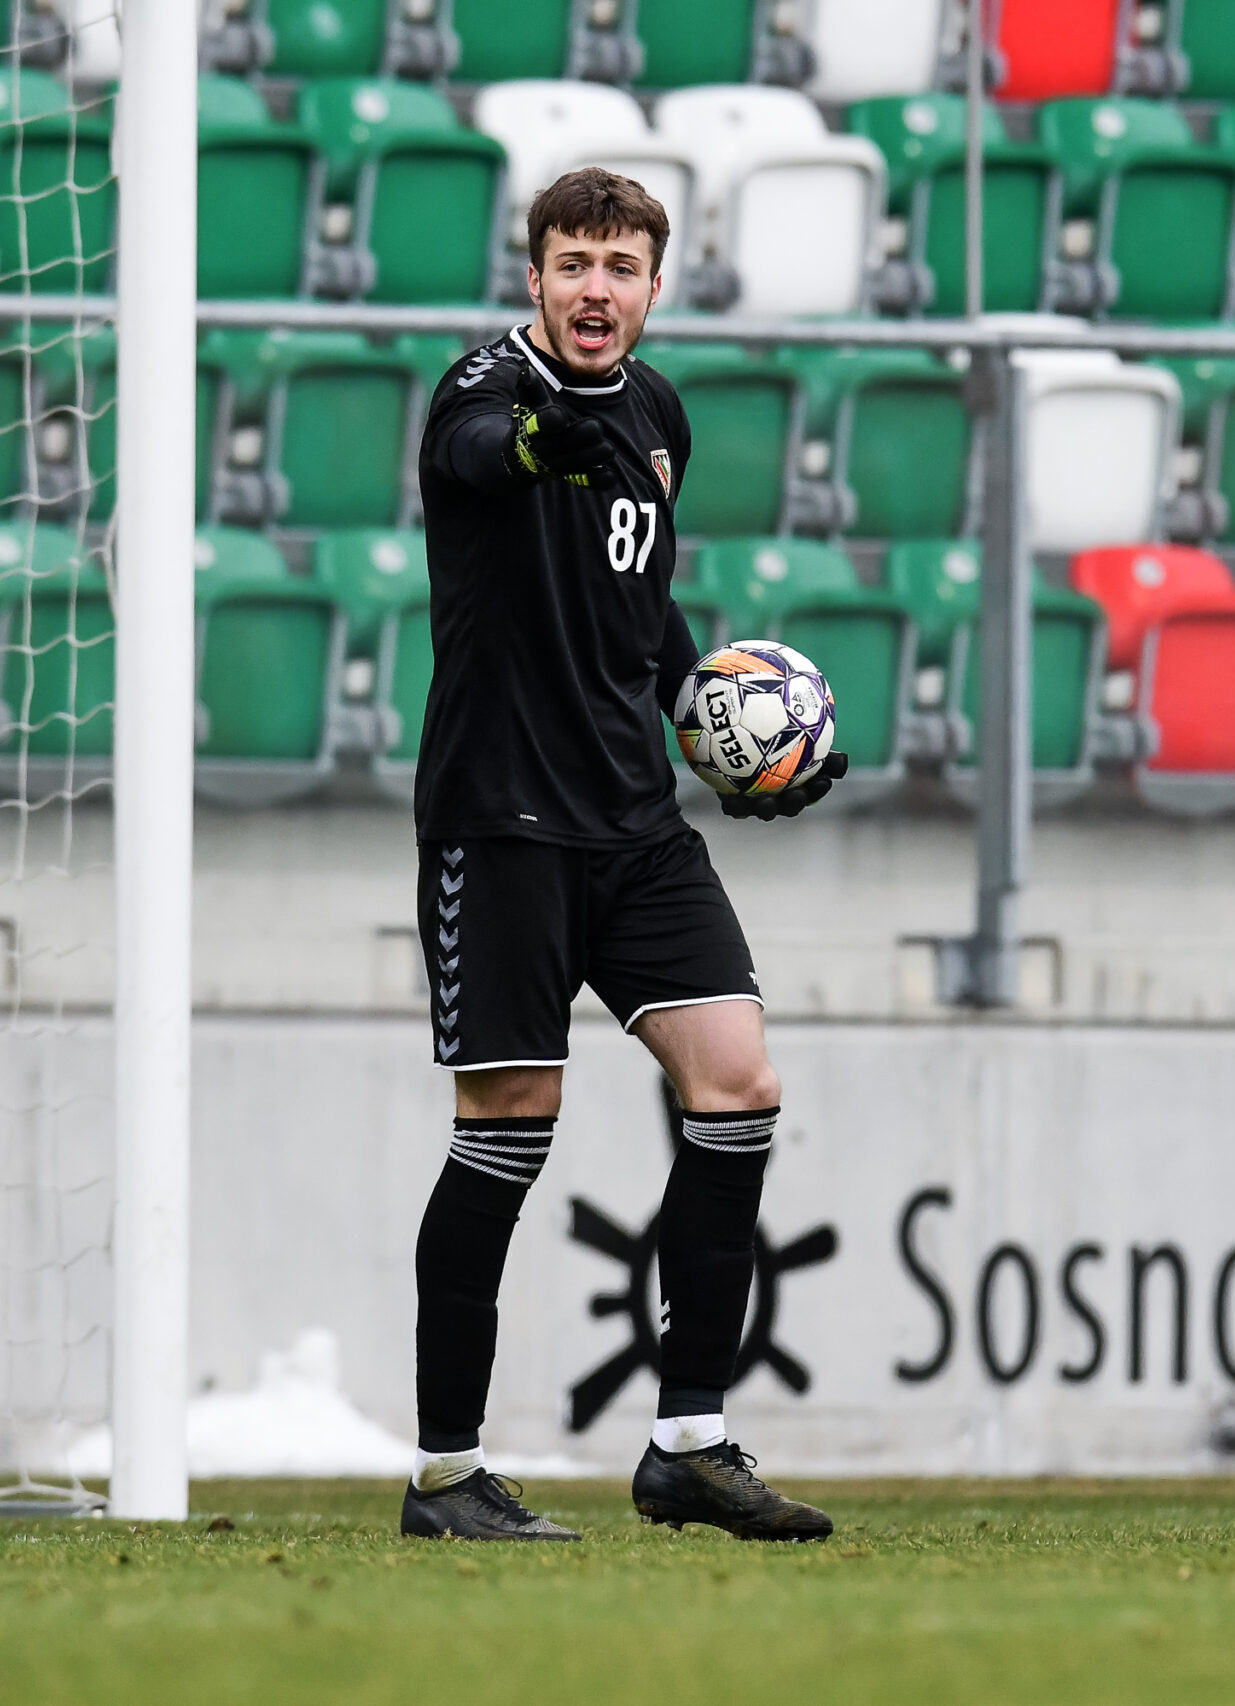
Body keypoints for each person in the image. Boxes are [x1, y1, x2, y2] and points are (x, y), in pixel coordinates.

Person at [399, 167, 844, 1545]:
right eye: (573, 263)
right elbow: (484, 455)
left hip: (638, 827)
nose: (596, 288)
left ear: (656, 286)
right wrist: (545, 441)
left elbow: (642, 610)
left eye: (621, 267)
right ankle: (445, 1474)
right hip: (503, 824)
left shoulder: (657, 413)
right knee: (508, 1131)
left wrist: (722, 730)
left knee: (739, 1088)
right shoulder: (481, 393)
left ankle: (688, 1442)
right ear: (534, 276)